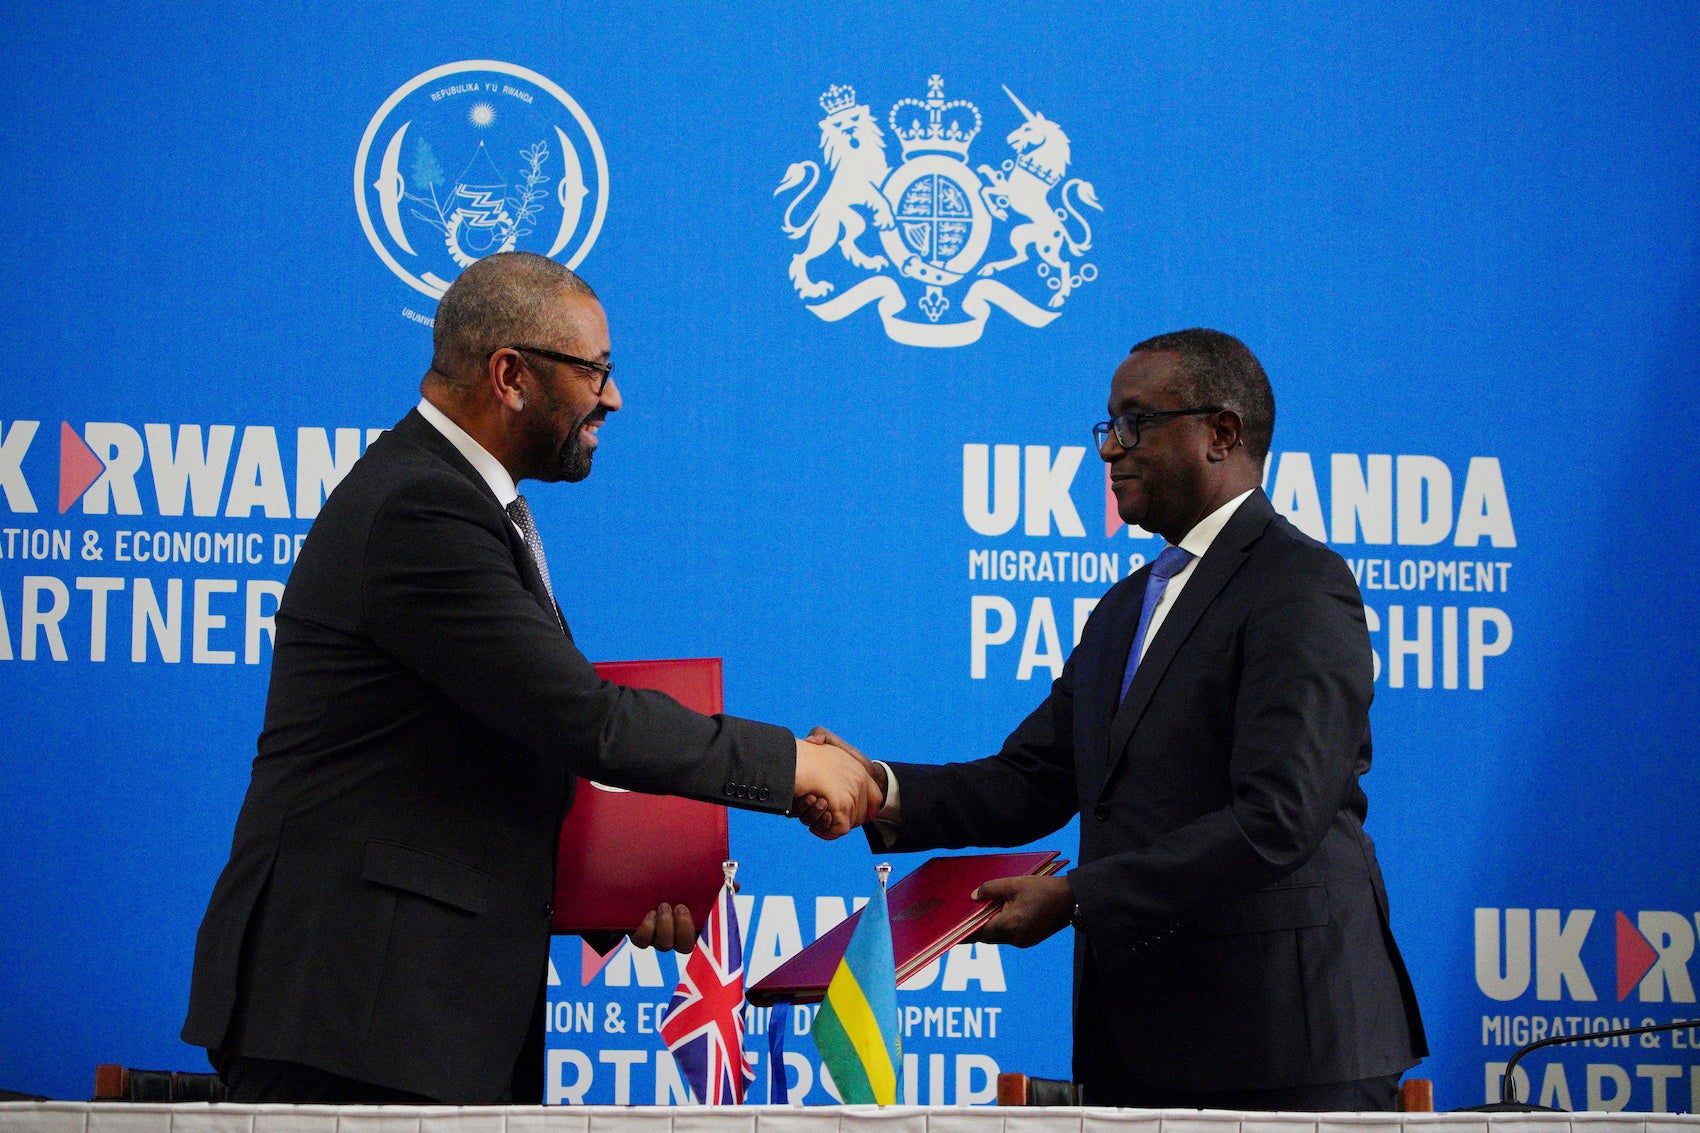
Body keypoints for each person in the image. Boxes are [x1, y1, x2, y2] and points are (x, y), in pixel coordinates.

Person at [182, 252, 881, 1104]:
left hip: (408, 1016)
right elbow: (582, 718)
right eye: (596, 371)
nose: (612, 398)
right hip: (354, 1014)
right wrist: (793, 766)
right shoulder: (422, 507)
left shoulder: (464, 501)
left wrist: (619, 886)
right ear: (510, 374)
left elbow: (498, 743)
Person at [808, 329, 1426, 1109]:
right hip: (1142, 1041)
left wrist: (1078, 898)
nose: (1110, 450)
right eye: (1108, 425)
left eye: (1135, 423)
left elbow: (1279, 817)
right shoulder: (1125, 609)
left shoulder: (1299, 585)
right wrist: (879, 788)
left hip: (1284, 1043)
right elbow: (1033, 777)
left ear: (1221, 433)